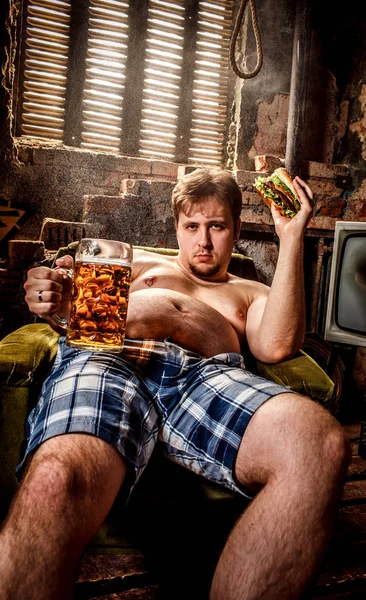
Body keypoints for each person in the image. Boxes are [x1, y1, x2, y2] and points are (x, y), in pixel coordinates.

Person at [0, 167, 349, 599]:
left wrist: (293, 234)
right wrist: (50, 293)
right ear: (177, 228)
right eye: (192, 226)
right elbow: (69, 303)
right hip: (111, 357)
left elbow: (276, 345)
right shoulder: (137, 263)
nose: (203, 241)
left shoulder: (250, 291)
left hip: (205, 376)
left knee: (319, 444)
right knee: (55, 479)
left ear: (236, 228)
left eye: (217, 226)